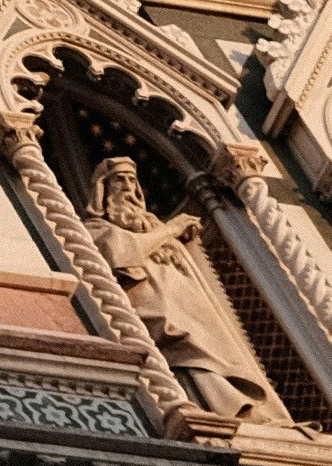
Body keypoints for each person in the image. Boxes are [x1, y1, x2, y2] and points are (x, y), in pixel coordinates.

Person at [84, 156, 281, 428]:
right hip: (154, 306)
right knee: (188, 346)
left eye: (132, 180)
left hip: (190, 305)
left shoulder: (152, 224)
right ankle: (223, 408)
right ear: (103, 190)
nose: (128, 187)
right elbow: (123, 259)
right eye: (119, 180)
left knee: (216, 347)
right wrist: (171, 230)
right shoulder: (96, 229)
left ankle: (246, 407)